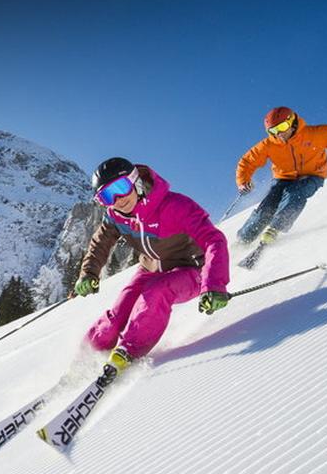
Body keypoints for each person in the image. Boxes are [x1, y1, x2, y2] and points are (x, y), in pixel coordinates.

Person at [74, 157, 230, 382]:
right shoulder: (116, 216)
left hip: (193, 269)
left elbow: (213, 239)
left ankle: (127, 352)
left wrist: (214, 283)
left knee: (156, 293)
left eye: (120, 188)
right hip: (150, 268)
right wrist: (89, 273)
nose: (118, 199)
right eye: (107, 196)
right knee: (118, 314)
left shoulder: (175, 206)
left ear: (135, 180)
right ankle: (86, 359)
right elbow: (100, 243)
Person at [235, 106, 327, 245]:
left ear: (292, 121)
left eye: (282, 127)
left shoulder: (316, 134)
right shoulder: (269, 144)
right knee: (268, 206)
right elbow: (247, 161)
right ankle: (244, 238)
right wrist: (243, 181)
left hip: (313, 174)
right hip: (283, 178)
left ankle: (275, 228)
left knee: (295, 193)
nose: (279, 134)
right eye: (273, 130)